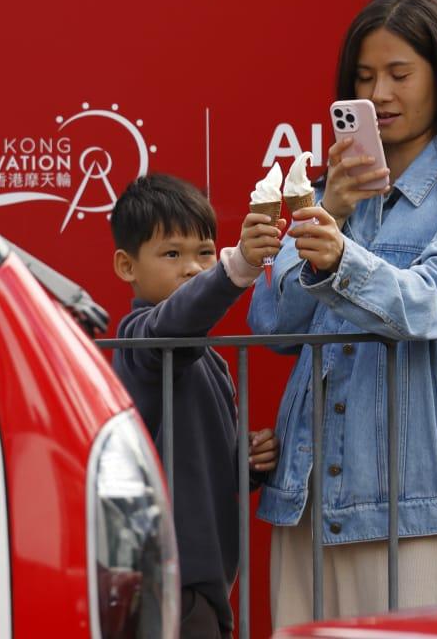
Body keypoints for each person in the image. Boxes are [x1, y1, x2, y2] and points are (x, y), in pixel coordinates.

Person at [248, 0, 437, 627]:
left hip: (415, 496)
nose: (379, 95)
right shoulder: (331, 194)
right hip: (306, 491)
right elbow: (270, 323)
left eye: (400, 74)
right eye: (364, 77)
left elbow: (431, 305)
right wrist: (336, 210)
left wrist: (343, 259)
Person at [110, 173, 283, 638]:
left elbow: (198, 461)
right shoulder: (137, 341)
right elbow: (176, 321)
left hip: (206, 582)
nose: (192, 267)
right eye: (172, 254)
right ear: (127, 267)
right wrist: (237, 267)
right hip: (165, 583)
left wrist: (246, 460)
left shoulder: (208, 357)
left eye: (204, 253)